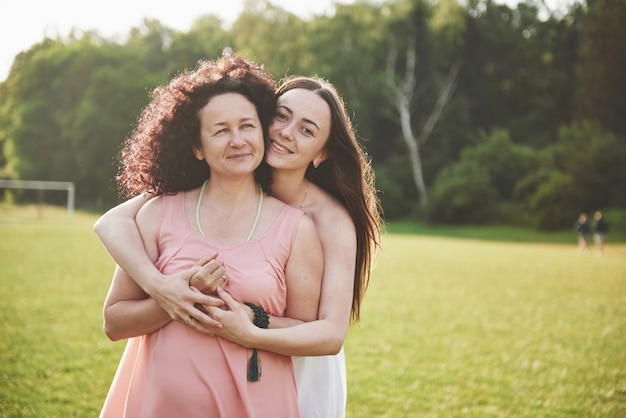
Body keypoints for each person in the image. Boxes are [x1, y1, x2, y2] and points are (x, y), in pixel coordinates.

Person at [94, 75, 383, 418]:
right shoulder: (215, 177)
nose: (287, 132)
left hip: (300, 364)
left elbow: (329, 332)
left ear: (322, 153)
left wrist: (250, 323)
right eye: (281, 116)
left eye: (307, 130)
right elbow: (110, 222)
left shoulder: (326, 221)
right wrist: (163, 289)